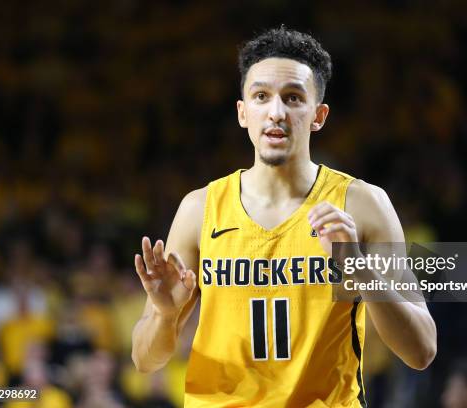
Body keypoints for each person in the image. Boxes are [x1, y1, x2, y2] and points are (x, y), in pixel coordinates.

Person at [131, 26, 437, 407]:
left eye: (293, 98)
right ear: (243, 112)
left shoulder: (361, 205)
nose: (276, 112)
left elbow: (421, 351)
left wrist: (360, 270)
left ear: (318, 115)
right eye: (261, 96)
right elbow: (146, 360)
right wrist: (164, 314)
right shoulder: (200, 209)